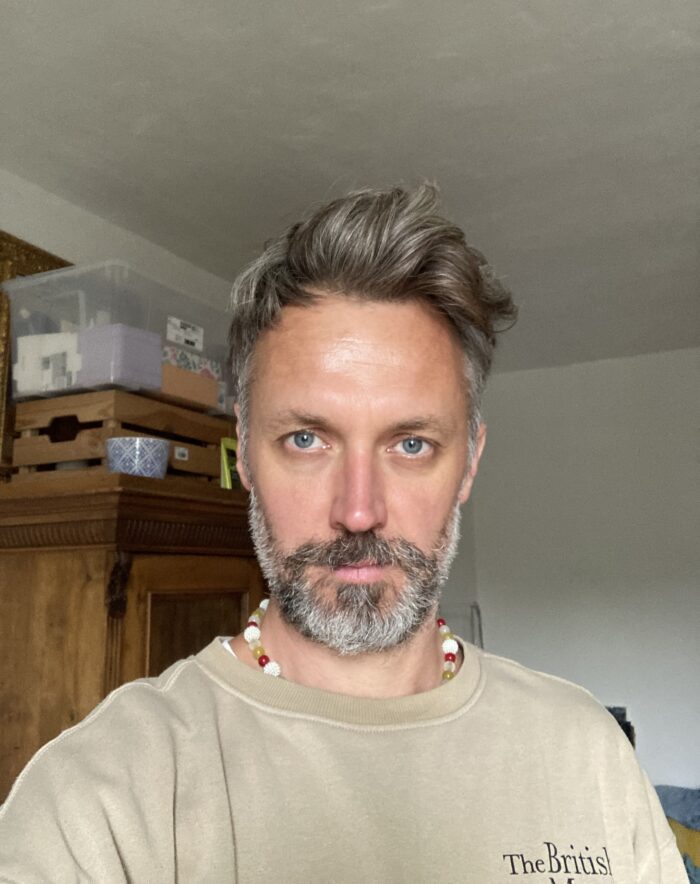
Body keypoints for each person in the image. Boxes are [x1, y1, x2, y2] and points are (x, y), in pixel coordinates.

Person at [0, 185, 684, 883]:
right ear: (245, 451)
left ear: (470, 463)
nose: (359, 512)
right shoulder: (99, 801)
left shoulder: (588, 752)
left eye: (411, 444)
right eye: (306, 439)